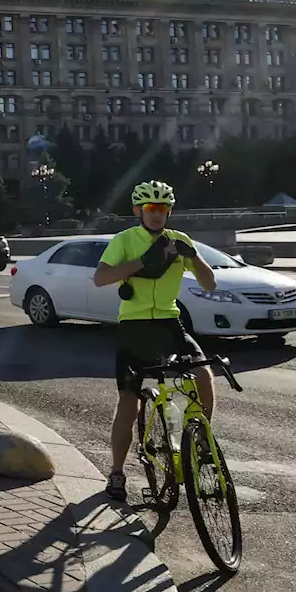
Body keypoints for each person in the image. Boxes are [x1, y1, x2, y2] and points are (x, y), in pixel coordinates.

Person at [91, 180, 219, 503]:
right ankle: (117, 473)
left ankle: (203, 441)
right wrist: (141, 263)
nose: (157, 214)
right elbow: (100, 278)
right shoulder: (124, 240)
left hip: (168, 323)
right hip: (133, 327)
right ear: (138, 211)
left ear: (169, 211)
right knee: (128, 404)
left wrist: (194, 257)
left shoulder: (179, 241)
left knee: (204, 374)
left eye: (162, 209)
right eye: (150, 209)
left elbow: (209, 284)